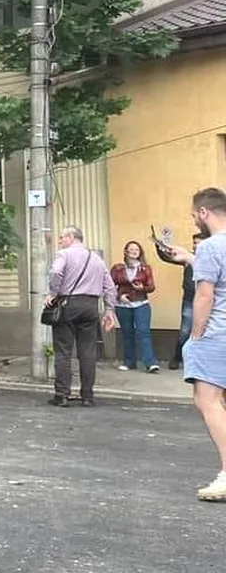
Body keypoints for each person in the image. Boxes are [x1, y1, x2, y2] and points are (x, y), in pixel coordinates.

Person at [166, 187, 226, 501]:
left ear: (204, 213)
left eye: (194, 215)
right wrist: (190, 257)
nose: (194, 220)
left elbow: (205, 295)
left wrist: (195, 336)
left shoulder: (211, 246)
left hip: (217, 334)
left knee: (208, 401)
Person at [45, 225, 118, 408]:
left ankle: (62, 395)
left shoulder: (64, 254)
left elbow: (55, 272)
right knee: (88, 352)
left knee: (63, 351)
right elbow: (109, 287)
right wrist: (109, 310)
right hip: (91, 306)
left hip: (68, 304)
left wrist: (53, 292)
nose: (60, 241)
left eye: (62, 237)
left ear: (71, 237)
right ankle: (87, 396)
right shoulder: (97, 259)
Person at [156, 231, 208, 370]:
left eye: (198, 242)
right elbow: (167, 257)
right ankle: (177, 358)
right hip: (190, 301)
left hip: (207, 303)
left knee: (206, 333)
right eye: (194, 243)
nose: (196, 245)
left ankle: (200, 363)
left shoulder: (211, 258)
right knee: (185, 332)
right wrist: (159, 246)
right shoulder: (186, 258)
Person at [110, 241, 158, 373]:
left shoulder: (145, 268)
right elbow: (109, 286)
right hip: (123, 305)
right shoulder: (117, 268)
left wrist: (143, 288)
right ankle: (129, 362)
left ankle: (150, 363)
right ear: (125, 251)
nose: (134, 251)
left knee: (144, 332)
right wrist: (119, 297)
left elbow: (152, 287)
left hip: (141, 303)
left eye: (137, 249)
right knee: (127, 334)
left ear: (140, 252)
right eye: (131, 249)